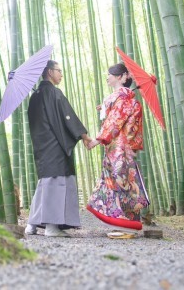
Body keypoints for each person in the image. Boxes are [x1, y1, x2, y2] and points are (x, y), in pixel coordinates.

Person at [25, 60, 93, 237]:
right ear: (49, 72)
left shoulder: (35, 95)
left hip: (41, 146)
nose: (61, 74)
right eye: (58, 71)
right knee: (56, 182)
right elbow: (68, 117)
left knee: (44, 183)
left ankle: (32, 224)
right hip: (55, 145)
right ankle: (51, 227)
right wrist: (84, 136)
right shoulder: (54, 93)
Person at [85, 62, 149, 231]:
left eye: (110, 74)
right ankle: (126, 222)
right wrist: (106, 107)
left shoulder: (123, 98)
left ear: (120, 77)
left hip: (118, 148)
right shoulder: (125, 99)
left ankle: (122, 222)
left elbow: (114, 123)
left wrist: (96, 140)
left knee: (118, 180)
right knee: (122, 180)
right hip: (121, 147)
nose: (107, 77)